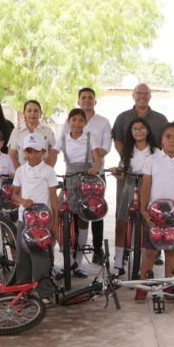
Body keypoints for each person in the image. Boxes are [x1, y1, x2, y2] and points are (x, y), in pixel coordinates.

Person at [138, 124, 174, 301]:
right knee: (150, 251)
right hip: (154, 215)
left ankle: (170, 286)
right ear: (161, 140)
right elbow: (146, 186)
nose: (172, 140)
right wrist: (143, 210)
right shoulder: (152, 160)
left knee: (171, 251)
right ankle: (142, 287)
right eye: (168, 136)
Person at [62, 88, 113, 264]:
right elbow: (63, 143)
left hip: (94, 174)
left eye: (90, 98)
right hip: (72, 175)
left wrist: (92, 162)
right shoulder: (68, 122)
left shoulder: (103, 122)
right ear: (78, 101)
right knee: (74, 213)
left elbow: (105, 147)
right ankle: (74, 251)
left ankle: (97, 249)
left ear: (95, 101)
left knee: (96, 212)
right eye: (83, 97)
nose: (87, 100)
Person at [11, 133, 59, 305]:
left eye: (36, 151)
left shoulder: (49, 171)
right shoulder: (20, 171)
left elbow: (53, 198)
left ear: (43, 152)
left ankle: (45, 292)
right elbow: (14, 194)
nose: (32, 155)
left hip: (43, 223)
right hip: (24, 220)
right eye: (29, 151)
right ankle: (23, 290)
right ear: (24, 152)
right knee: (22, 256)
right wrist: (23, 201)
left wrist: (55, 222)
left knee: (40, 258)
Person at [110, 117, 157, 276]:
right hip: (129, 185)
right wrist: (117, 172)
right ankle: (118, 264)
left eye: (142, 128)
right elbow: (122, 174)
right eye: (135, 129)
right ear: (130, 132)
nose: (138, 131)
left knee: (149, 224)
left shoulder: (155, 151)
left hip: (148, 186)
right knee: (121, 222)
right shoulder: (127, 150)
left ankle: (146, 264)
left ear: (148, 131)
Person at [59, 108, 102, 278]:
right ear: (68, 121)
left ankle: (78, 262)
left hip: (86, 179)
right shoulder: (63, 138)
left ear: (85, 122)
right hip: (70, 179)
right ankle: (68, 260)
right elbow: (52, 155)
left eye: (80, 120)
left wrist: (95, 167)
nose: (77, 123)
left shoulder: (91, 137)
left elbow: (97, 158)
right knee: (62, 216)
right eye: (74, 120)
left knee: (84, 219)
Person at [8, 100, 57, 169]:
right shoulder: (16, 131)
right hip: (22, 173)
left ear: (40, 113)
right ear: (24, 113)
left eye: (36, 111)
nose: (32, 113)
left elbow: (53, 153)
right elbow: (11, 156)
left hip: (43, 173)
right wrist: (19, 172)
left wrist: (46, 170)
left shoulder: (47, 131)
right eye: (29, 111)